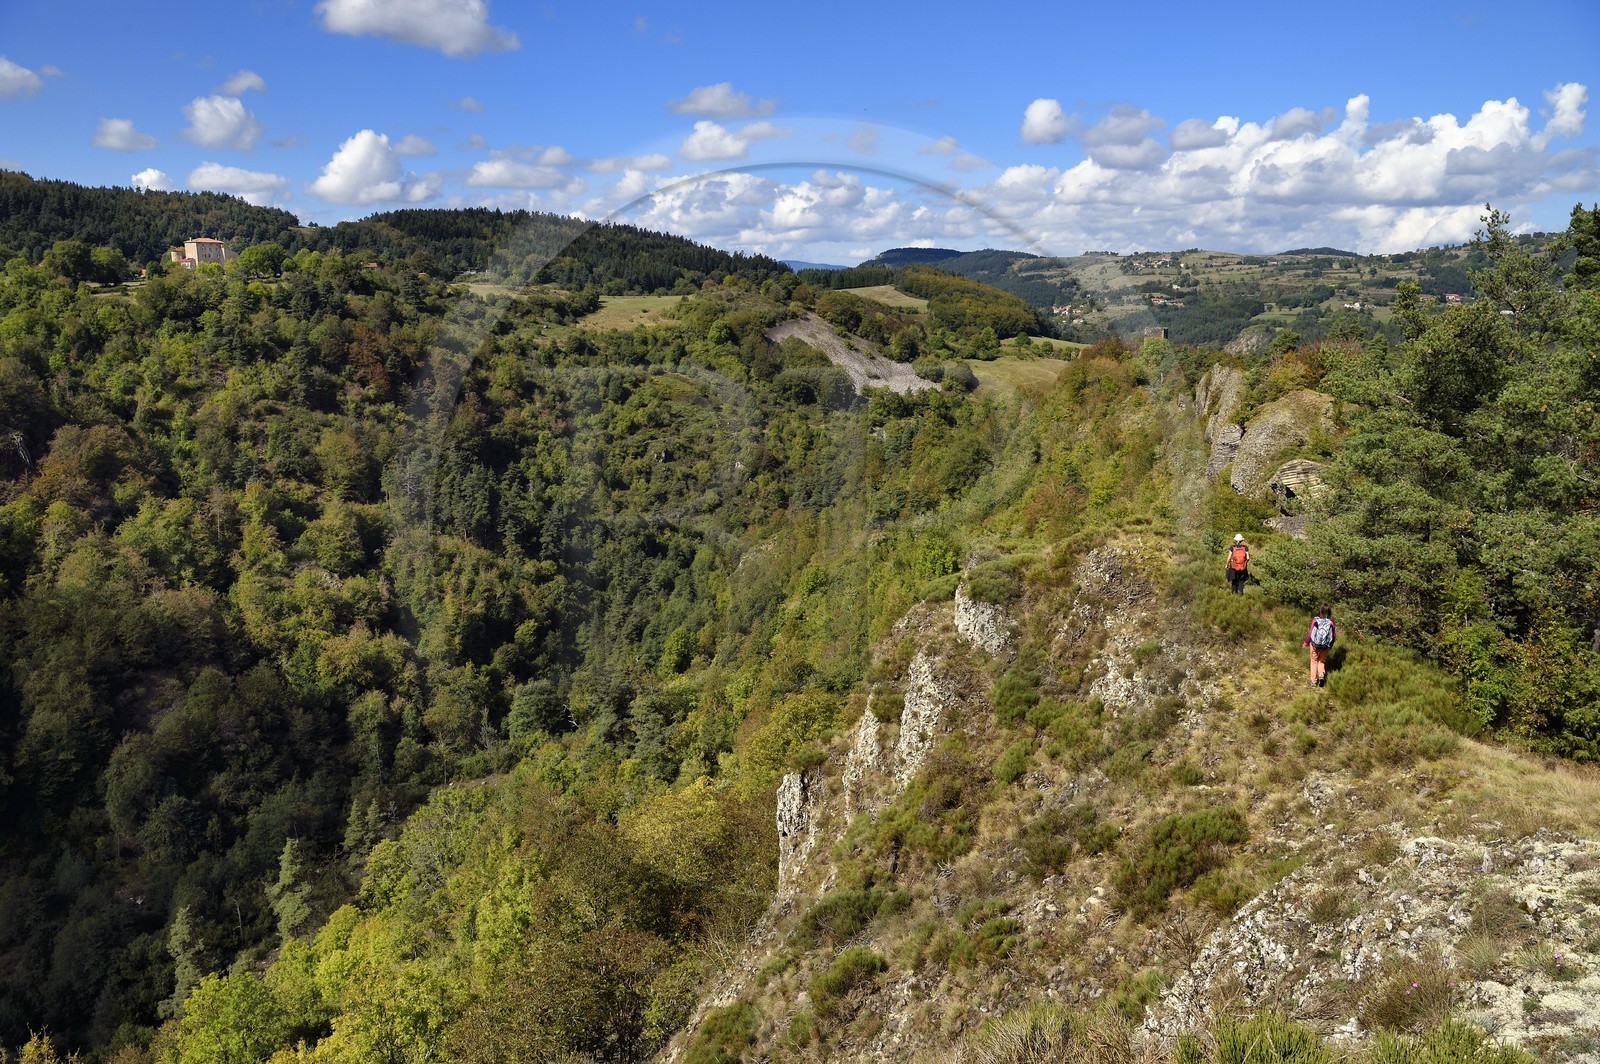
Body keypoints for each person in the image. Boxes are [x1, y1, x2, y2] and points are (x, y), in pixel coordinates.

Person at [1302, 605, 1336, 687]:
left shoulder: (1315, 620)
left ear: (1320, 611)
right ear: (1329, 612)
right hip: (1325, 646)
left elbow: (1310, 633)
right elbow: (1333, 636)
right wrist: (1330, 646)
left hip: (1314, 645)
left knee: (1314, 662)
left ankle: (1313, 681)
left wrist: (1306, 643)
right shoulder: (1331, 622)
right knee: (1321, 661)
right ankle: (1321, 674)